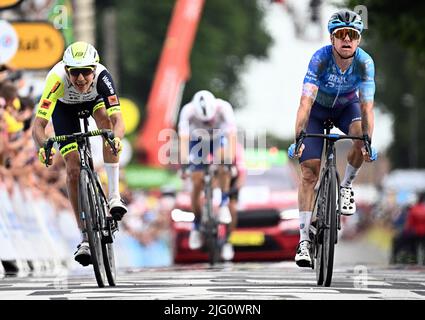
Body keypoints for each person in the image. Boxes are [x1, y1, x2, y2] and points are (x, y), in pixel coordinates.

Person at [287, 9, 378, 267]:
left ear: (358, 40)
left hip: (346, 109)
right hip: (317, 111)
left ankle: (347, 185)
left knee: (360, 136)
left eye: (352, 35)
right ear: (332, 38)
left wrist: (368, 141)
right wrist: (299, 138)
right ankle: (304, 240)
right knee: (309, 173)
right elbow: (305, 103)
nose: (347, 39)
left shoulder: (365, 63)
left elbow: (367, 107)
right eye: (341, 34)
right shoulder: (319, 59)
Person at [32, 41, 127, 266]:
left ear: (94, 69)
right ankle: (84, 237)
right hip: (65, 110)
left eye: (86, 72)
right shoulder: (55, 80)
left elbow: (118, 120)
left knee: (106, 127)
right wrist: (44, 145)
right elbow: (38, 125)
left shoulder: (103, 77)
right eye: (75, 73)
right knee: (73, 168)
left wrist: (116, 138)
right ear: (67, 70)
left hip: (94, 103)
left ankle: (114, 197)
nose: (81, 79)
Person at [178, 90, 237, 260]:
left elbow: (232, 137)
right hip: (197, 141)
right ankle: (196, 226)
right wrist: (184, 165)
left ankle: (224, 202)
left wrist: (229, 162)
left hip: (219, 139)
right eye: (204, 121)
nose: (208, 122)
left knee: (224, 164)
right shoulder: (188, 111)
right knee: (196, 181)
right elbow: (183, 140)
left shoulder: (224, 107)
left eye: (210, 119)